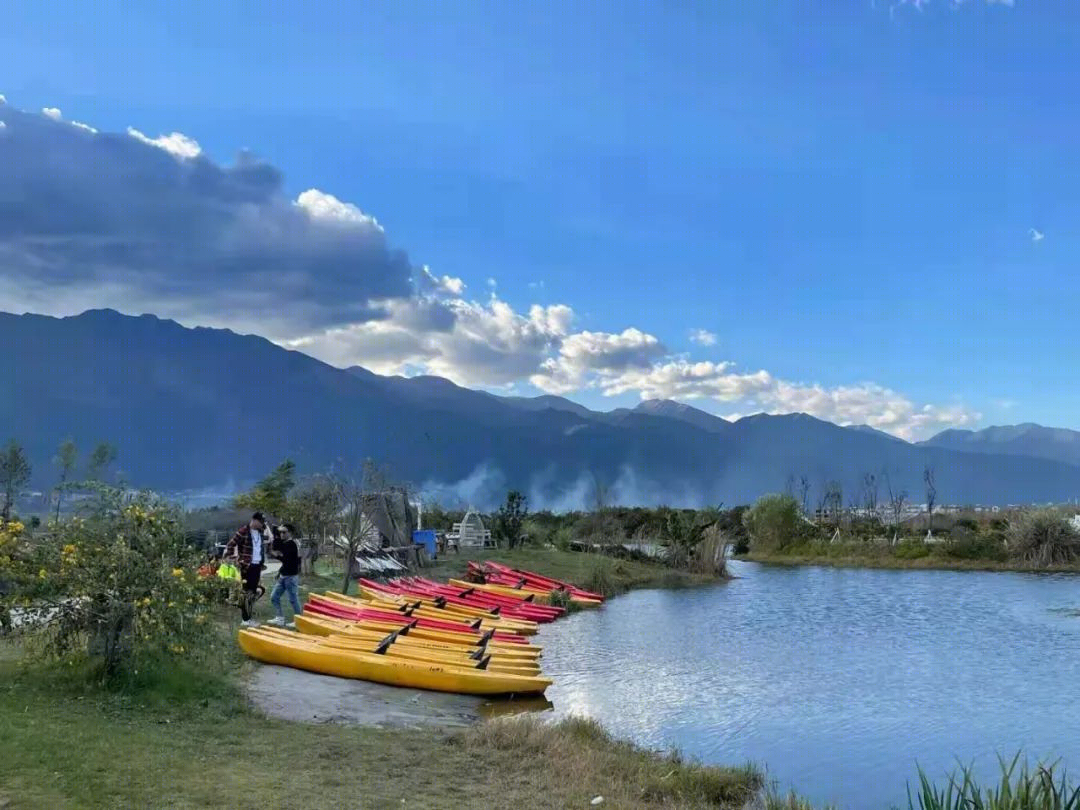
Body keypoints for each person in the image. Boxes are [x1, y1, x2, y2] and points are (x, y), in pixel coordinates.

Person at [225, 512, 268, 627]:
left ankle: (247, 614)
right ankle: (246, 619)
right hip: (247, 566)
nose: (262, 524)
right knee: (247, 592)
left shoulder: (260, 531)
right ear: (254, 520)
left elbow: (268, 539)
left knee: (252, 592)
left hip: (257, 565)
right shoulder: (243, 531)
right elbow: (230, 544)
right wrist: (233, 558)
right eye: (261, 522)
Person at [268, 523, 302, 627]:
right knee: (274, 596)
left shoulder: (291, 544)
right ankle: (280, 618)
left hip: (290, 577)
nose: (281, 534)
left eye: (284, 532)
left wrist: (274, 555)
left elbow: (286, 560)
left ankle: (299, 621)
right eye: (280, 532)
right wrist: (279, 572)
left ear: (290, 533)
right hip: (284, 575)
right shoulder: (286, 543)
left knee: (293, 599)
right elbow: (286, 563)